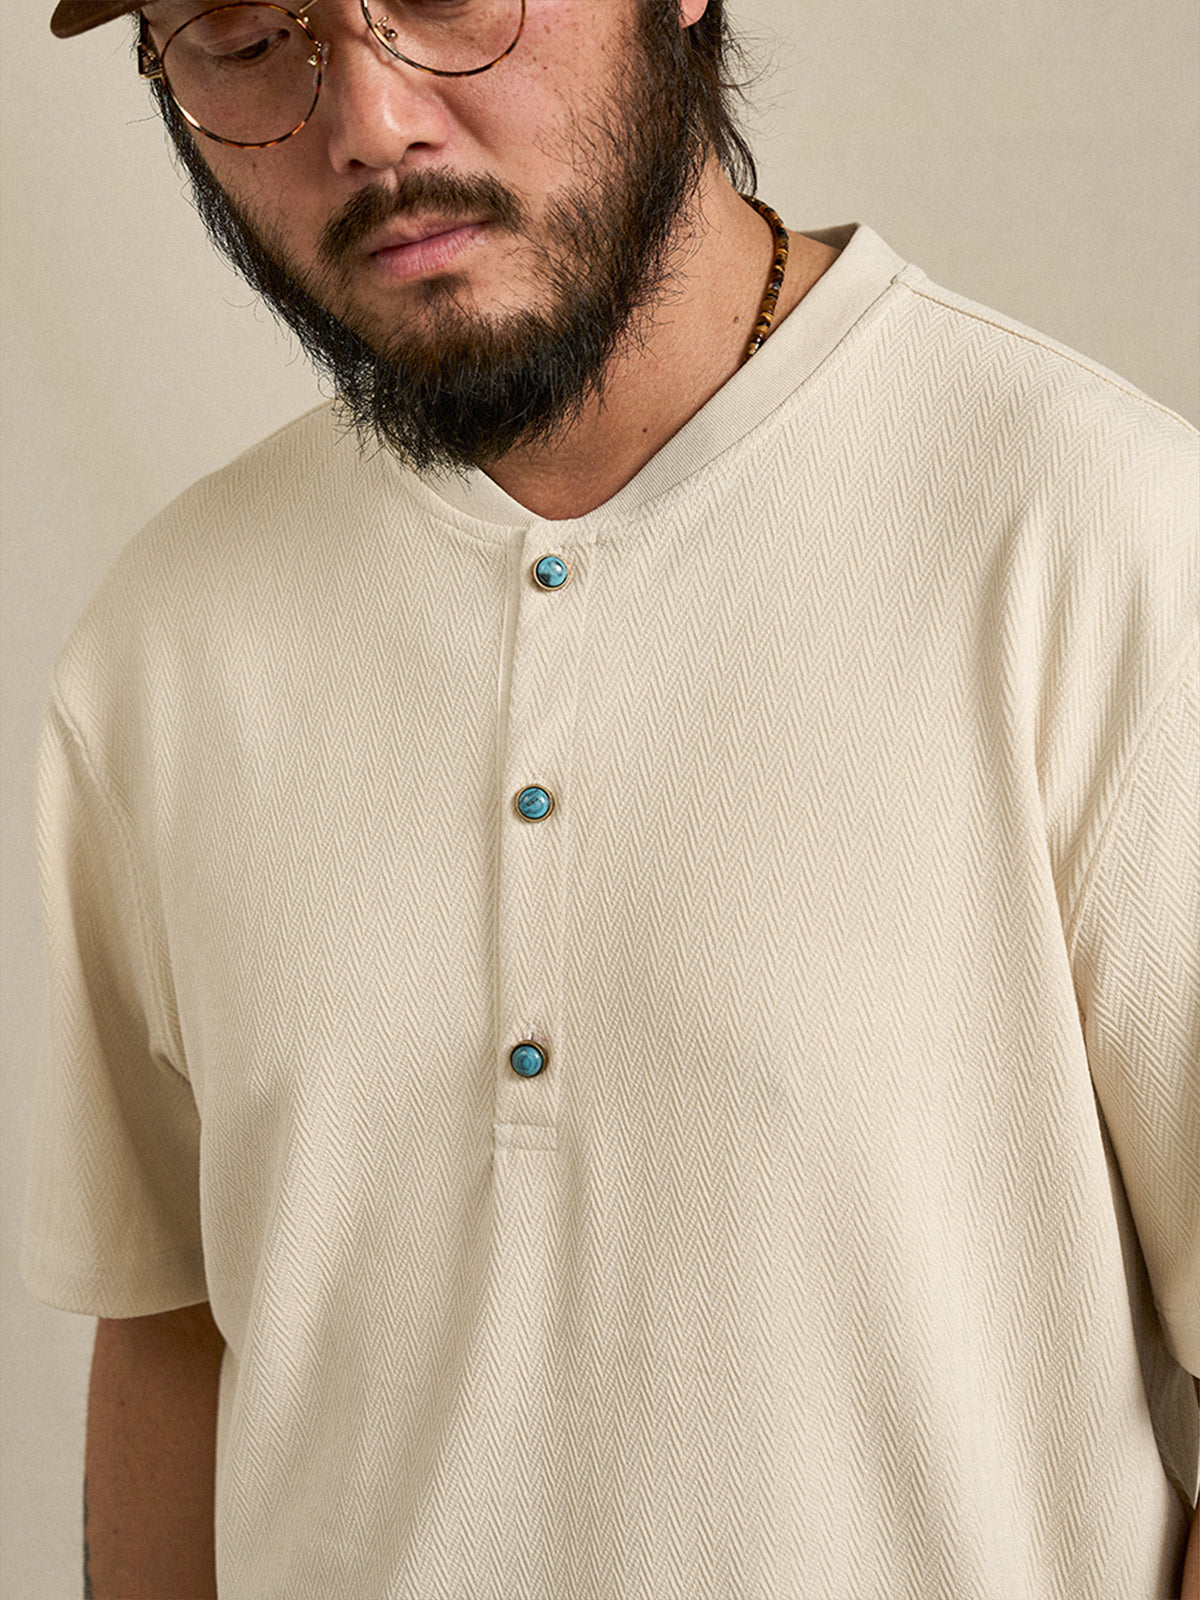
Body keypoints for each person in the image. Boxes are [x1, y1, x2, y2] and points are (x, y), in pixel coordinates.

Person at [22, 1, 1198, 1596]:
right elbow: (174, 1332)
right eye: (240, 34)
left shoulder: (1107, 546)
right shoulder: (166, 647)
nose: (367, 121)